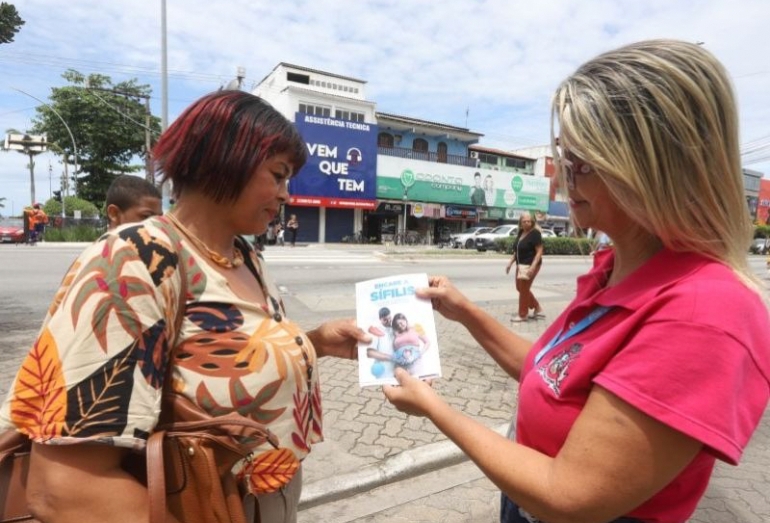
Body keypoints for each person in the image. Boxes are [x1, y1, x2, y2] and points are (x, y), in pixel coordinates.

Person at [383, 40, 770, 523]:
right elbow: (552, 373)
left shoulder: (704, 312)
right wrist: (466, 313)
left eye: (579, 164)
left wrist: (435, 408)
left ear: (648, 167)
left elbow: (571, 495)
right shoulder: (613, 268)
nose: (562, 183)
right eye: (563, 159)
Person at [0, 90, 370, 523]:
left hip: (257, 496)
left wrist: (316, 343)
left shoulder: (243, 255)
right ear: (223, 159)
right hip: (189, 505)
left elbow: (217, 354)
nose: (287, 194)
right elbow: (65, 487)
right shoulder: (136, 258)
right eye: (278, 174)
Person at [505, 211, 544, 322]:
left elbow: (539, 251)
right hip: (520, 265)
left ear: (532, 222)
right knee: (519, 287)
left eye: (529, 221)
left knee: (524, 289)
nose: (527, 223)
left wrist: (532, 267)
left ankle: (523, 315)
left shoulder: (535, 233)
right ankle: (537, 307)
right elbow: (516, 251)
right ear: (520, 223)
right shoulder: (521, 232)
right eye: (524, 221)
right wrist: (510, 263)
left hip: (531, 265)